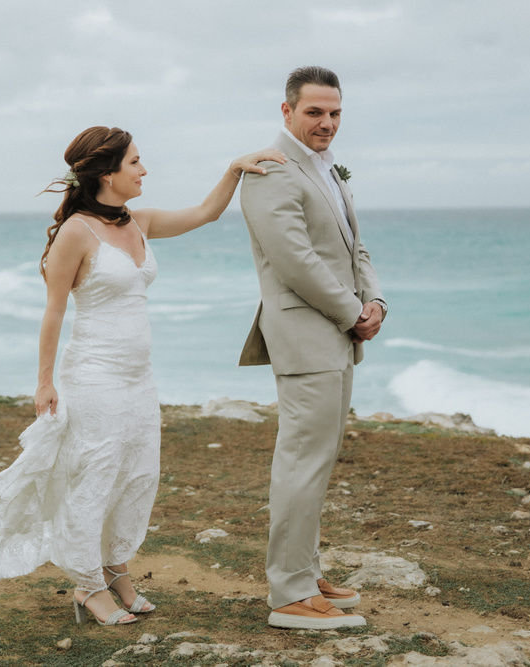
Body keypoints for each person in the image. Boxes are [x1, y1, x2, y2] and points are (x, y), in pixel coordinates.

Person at [0, 126, 285, 626]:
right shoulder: (76, 232)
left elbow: (205, 214)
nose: (145, 171)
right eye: (136, 162)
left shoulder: (138, 222)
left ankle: (116, 570)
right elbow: (54, 311)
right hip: (94, 376)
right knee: (96, 478)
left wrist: (234, 168)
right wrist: (44, 381)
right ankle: (87, 586)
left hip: (139, 378)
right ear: (106, 172)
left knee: (137, 476)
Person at [238, 66, 387, 630]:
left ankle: (304, 569)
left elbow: (354, 247)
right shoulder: (271, 172)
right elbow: (294, 259)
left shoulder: (327, 170)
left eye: (336, 113)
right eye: (315, 113)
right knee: (301, 460)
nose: (327, 123)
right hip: (307, 334)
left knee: (317, 461)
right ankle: (290, 595)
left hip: (339, 334)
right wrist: (352, 312)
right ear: (287, 112)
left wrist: (375, 303)